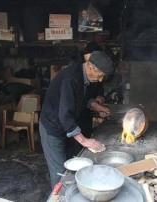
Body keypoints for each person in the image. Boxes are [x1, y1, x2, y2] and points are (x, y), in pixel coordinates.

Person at [39, 51, 113, 189]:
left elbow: (81, 97)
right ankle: (58, 198)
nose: (101, 80)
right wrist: (84, 140)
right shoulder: (71, 78)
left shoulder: (85, 77)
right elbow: (64, 115)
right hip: (52, 128)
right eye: (101, 75)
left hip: (65, 126)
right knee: (60, 174)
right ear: (90, 68)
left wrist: (95, 105)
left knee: (71, 167)